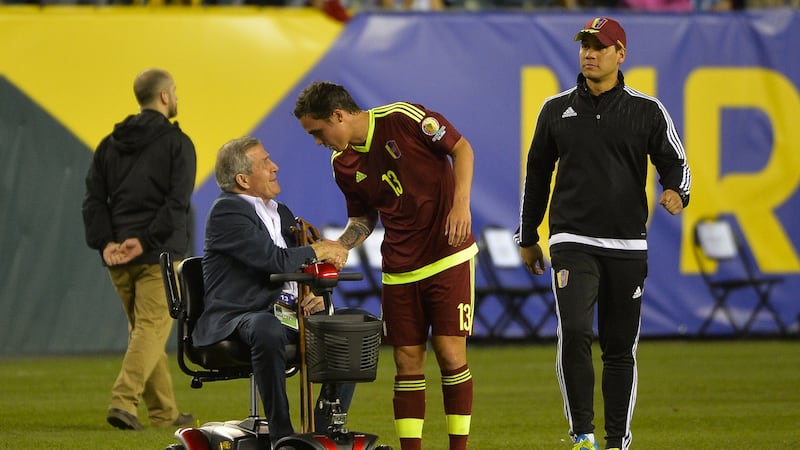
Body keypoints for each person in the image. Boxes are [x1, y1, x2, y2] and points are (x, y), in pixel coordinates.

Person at [515, 17, 691, 450]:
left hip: (627, 244)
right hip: (571, 241)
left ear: (620, 54)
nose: (589, 54)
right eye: (585, 46)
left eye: (599, 46)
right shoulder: (555, 109)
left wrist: (676, 191)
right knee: (575, 331)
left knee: (619, 347)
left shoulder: (646, 110)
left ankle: (617, 441)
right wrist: (528, 236)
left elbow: (676, 163)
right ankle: (582, 435)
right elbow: (536, 175)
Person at [294, 81, 478, 450]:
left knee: (449, 353)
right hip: (398, 268)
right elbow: (363, 218)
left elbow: (461, 148)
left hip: (448, 255)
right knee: (406, 361)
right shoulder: (342, 164)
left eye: (318, 132)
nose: (318, 142)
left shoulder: (403, 118)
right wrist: (342, 245)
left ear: (338, 115)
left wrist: (461, 204)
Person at [192, 136, 355, 447]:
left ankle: (323, 431)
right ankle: (283, 435)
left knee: (352, 324)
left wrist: (313, 291)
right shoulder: (227, 211)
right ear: (243, 179)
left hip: (288, 313)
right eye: (265, 162)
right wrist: (320, 249)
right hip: (241, 314)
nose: (275, 166)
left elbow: (300, 265)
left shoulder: (282, 213)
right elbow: (274, 261)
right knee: (266, 326)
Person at [82, 68, 196, 430]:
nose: (176, 97)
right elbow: (176, 204)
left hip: (119, 256)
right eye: (174, 91)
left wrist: (106, 243)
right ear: (164, 96)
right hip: (158, 252)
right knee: (149, 330)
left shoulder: (109, 144)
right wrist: (145, 241)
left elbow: (94, 201)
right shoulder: (178, 143)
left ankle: (164, 414)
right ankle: (123, 401)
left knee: (145, 334)